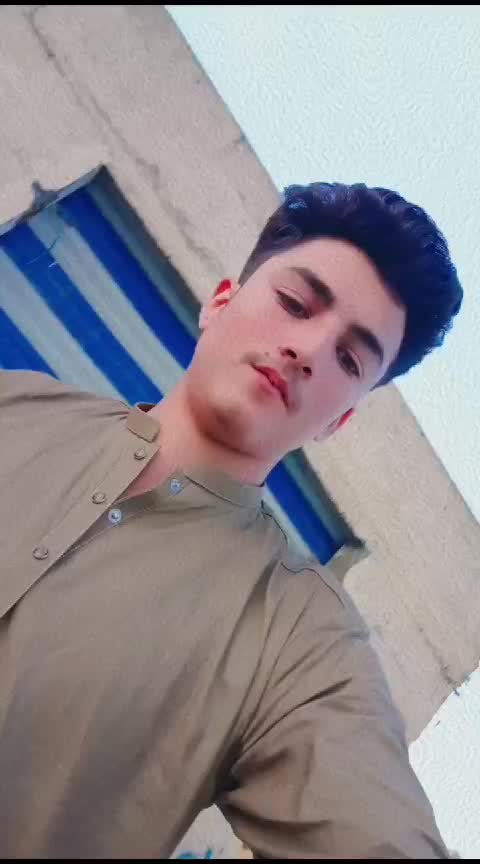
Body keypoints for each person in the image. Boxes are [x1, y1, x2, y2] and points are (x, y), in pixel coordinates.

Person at [0, 182, 462, 859]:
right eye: (295, 304)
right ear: (219, 303)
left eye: (349, 359)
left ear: (339, 420)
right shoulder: (15, 404)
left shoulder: (299, 638)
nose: (309, 349)